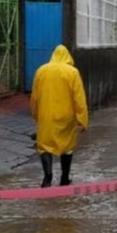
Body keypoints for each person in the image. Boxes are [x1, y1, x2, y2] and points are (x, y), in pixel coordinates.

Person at [30, 44, 89, 187]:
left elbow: (35, 96)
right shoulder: (73, 72)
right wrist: (82, 119)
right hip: (67, 117)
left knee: (44, 146)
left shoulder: (41, 71)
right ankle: (64, 178)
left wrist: (36, 114)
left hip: (46, 115)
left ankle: (47, 178)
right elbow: (79, 98)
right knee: (67, 146)